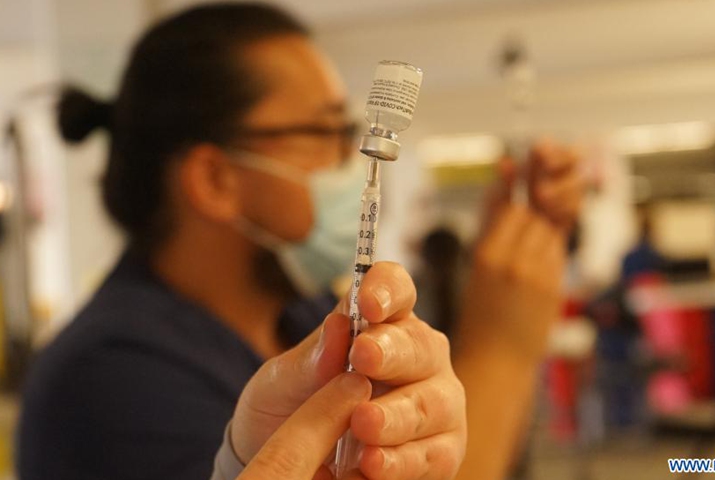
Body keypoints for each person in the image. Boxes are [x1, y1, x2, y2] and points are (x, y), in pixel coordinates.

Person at [18, 3, 582, 480]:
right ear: (216, 179)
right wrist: (503, 347)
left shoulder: (301, 315)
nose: (345, 156)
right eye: (325, 133)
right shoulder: (106, 385)